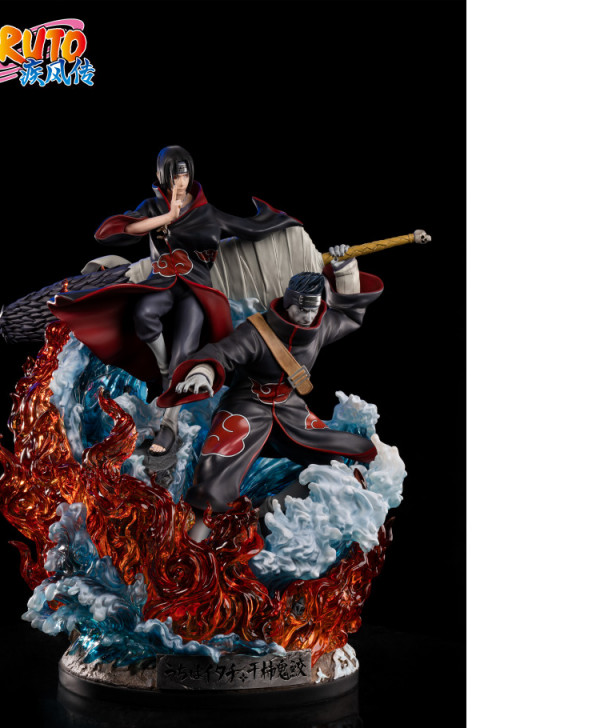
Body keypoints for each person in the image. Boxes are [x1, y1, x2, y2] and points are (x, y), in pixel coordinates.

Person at [49, 145, 301, 460]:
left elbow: (251, 229)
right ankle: (164, 368)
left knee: (185, 349)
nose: (180, 182)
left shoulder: (208, 213)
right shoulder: (153, 207)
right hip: (162, 283)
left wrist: (285, 224)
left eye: (184, 175)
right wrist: (166, 217)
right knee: (144, 314)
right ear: (162, 176)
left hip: (198, 293)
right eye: (174, 176)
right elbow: (112, 231)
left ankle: (169, 424)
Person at [157, 252, 383, 541]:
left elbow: (349, 315)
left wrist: (343, 270)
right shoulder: (256, 332)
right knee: (215, 474)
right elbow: (223, 353)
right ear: (288, 304)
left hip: (290, 408)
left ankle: (266, 514)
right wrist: (204, 372)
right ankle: (195, 542)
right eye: (302, 310)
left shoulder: (319, 326)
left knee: (335, 459)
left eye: (313, 309)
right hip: (246, 405)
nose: (308, 317)